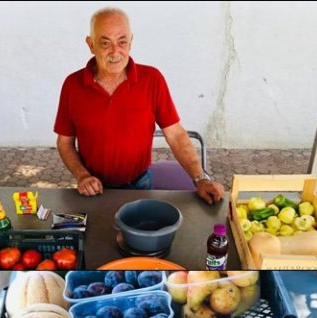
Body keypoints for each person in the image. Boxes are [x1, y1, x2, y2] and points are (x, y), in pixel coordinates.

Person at [54, 7, 225, 204]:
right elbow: (65, 143)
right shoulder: (72, 85)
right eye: (105, 43)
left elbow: (176, 135)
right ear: (91, 44)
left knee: (140, 232)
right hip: (93, 186)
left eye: (122, 42)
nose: (115, 51)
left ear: (131, 42)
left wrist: (201, 178)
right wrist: (82, 176)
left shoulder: (152, 79)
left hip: (139, 184)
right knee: (96, 235)